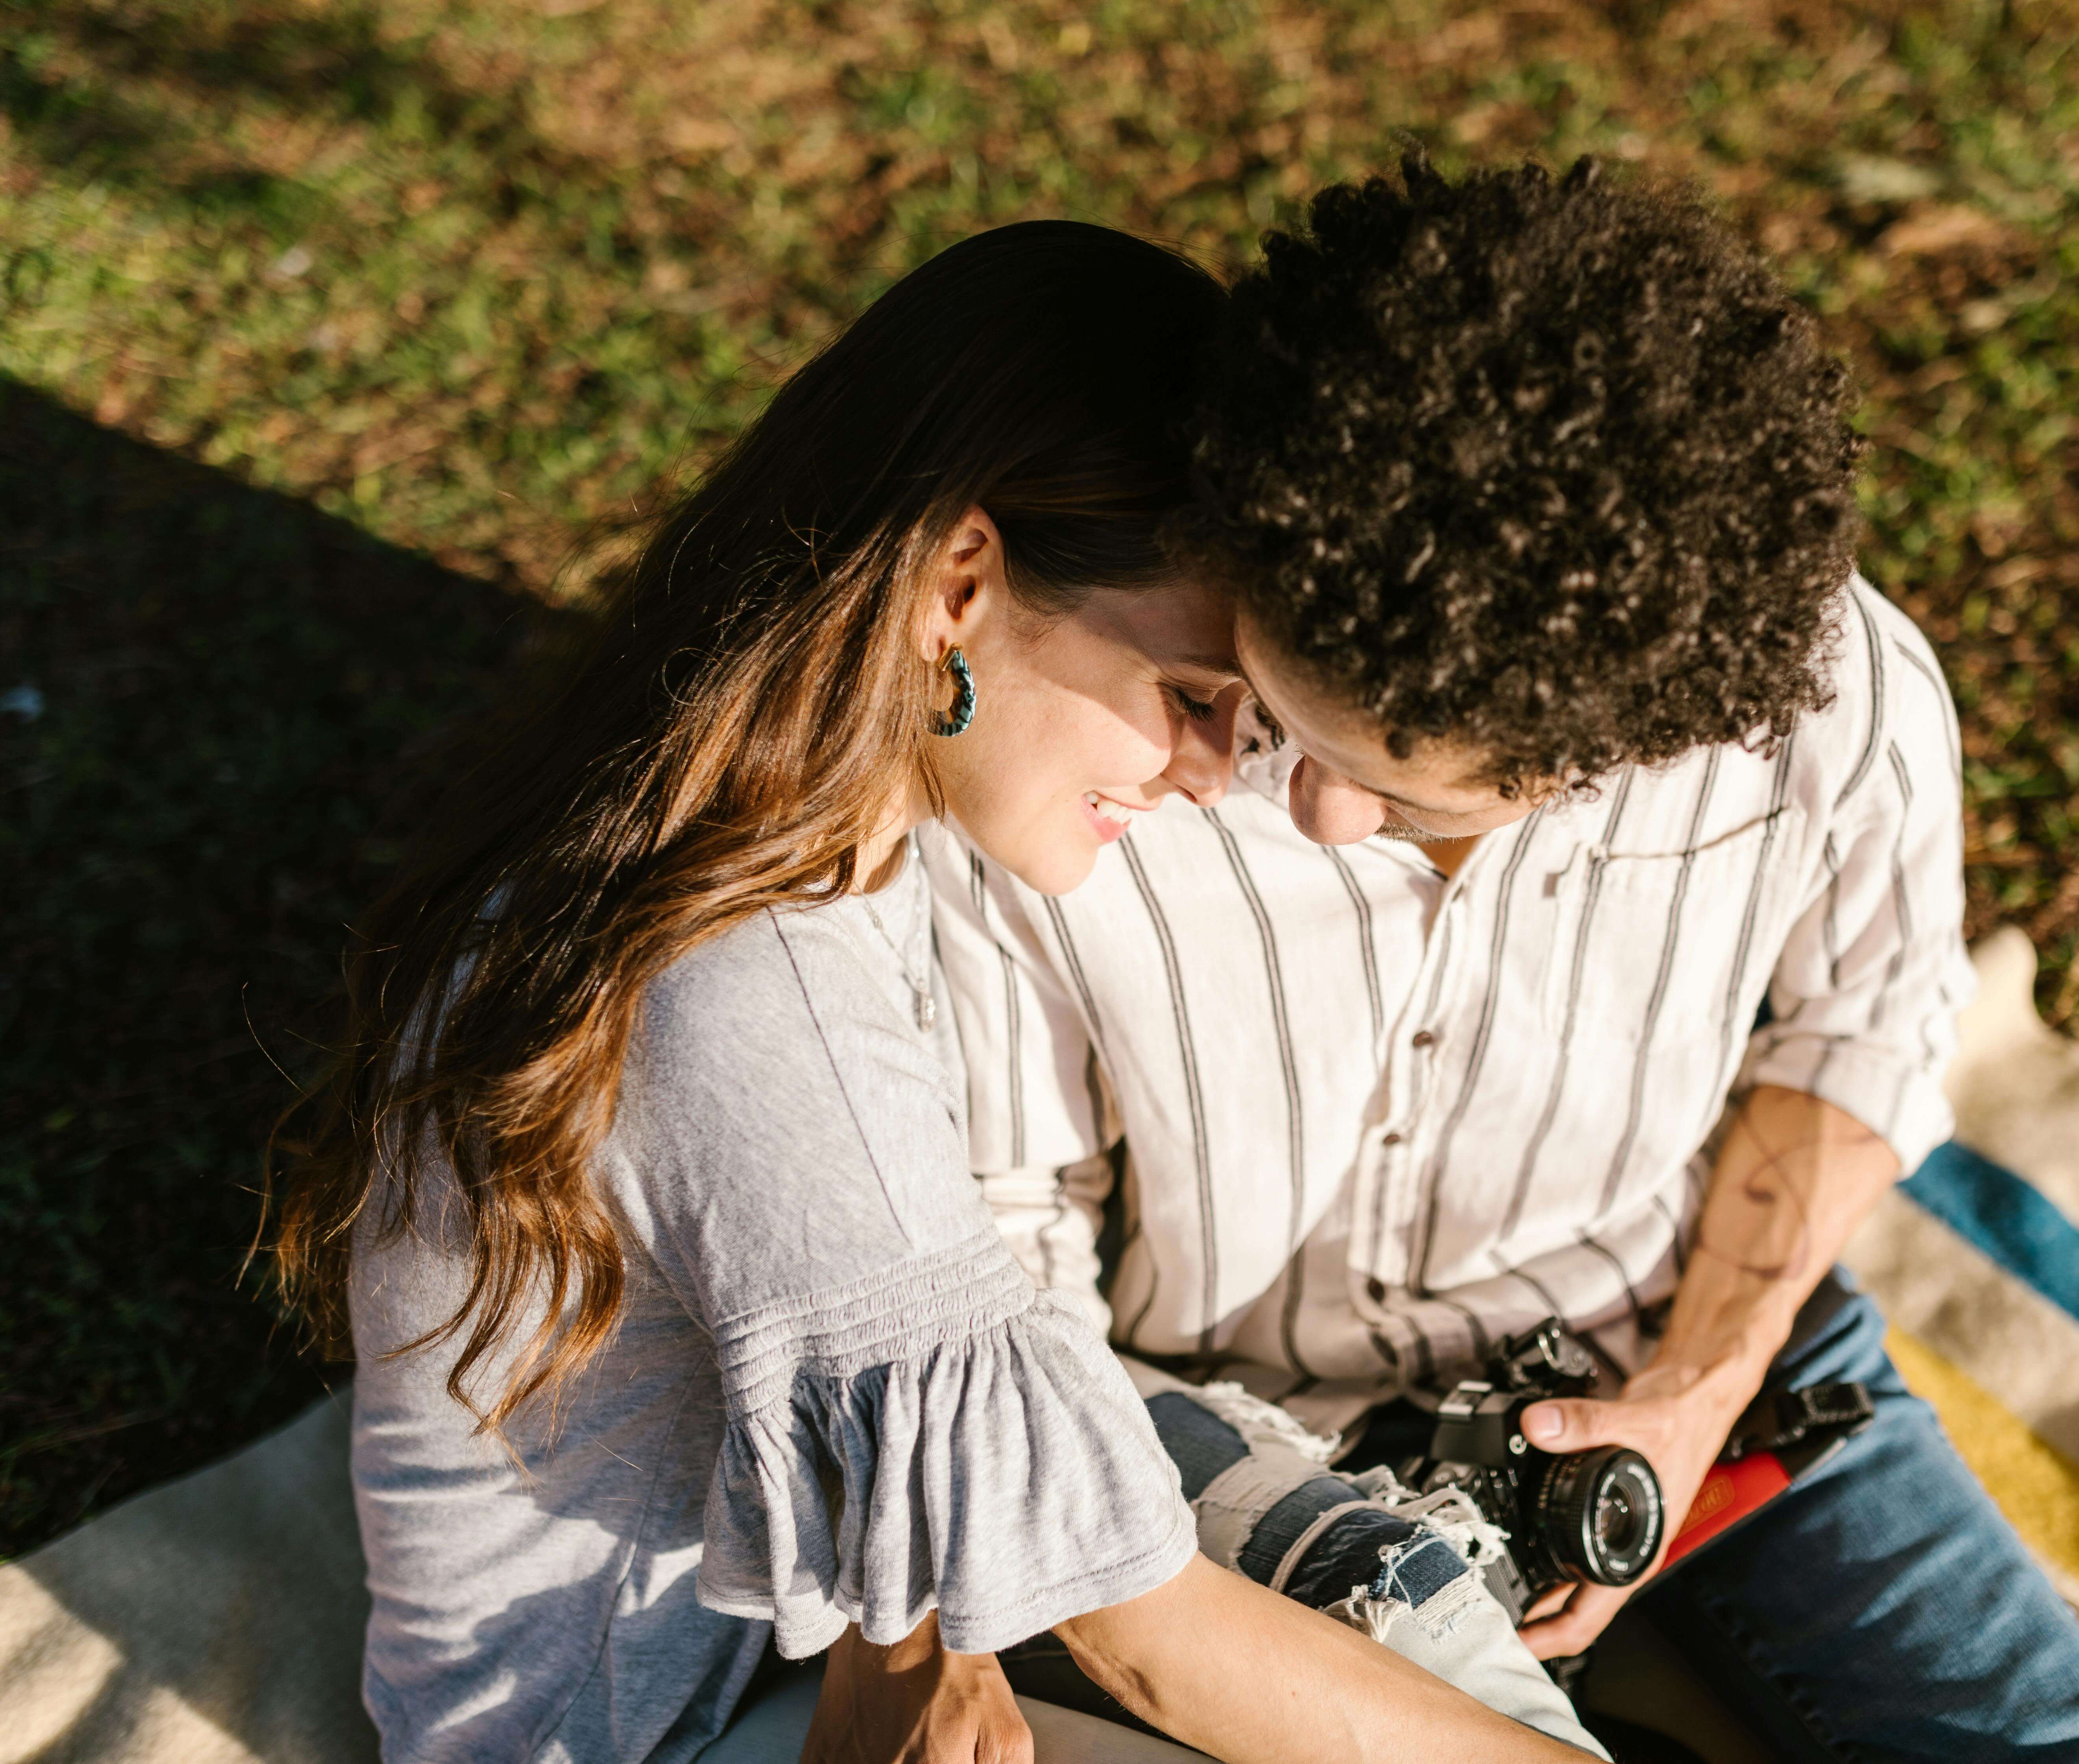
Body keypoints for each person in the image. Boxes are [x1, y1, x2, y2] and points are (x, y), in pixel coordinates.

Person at [269, 219, 1600, 1764]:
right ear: (961, 579)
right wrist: (923, 1642)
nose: (1209, 772)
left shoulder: (775, 813)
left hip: (780, 1646)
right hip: (656, 1735)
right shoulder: (745, 986)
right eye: (1188, 698)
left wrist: (911, 1633)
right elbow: (1137, 1628)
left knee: (1397, 1605)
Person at [924, 161, 2079, 1762]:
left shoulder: (1830, 696)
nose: (1310, 808)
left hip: (1677, 1360)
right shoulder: (1081, 745)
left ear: (1623, 754)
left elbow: (1860, 1033)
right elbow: (1000, 1234)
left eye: (1402, 787)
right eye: (1276, 714)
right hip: (1235, 1423)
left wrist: (1703, 1387)